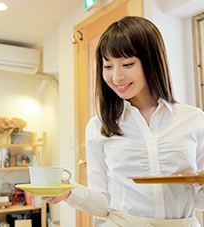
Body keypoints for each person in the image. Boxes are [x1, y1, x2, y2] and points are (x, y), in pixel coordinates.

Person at [44, 16, 204, 226]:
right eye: (107, 66)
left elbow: (198, 199)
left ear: (152, 61)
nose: (116, 77)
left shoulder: (193, 119)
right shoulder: (98, 127)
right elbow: (103, 203)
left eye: (127, 64)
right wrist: (68, 192)